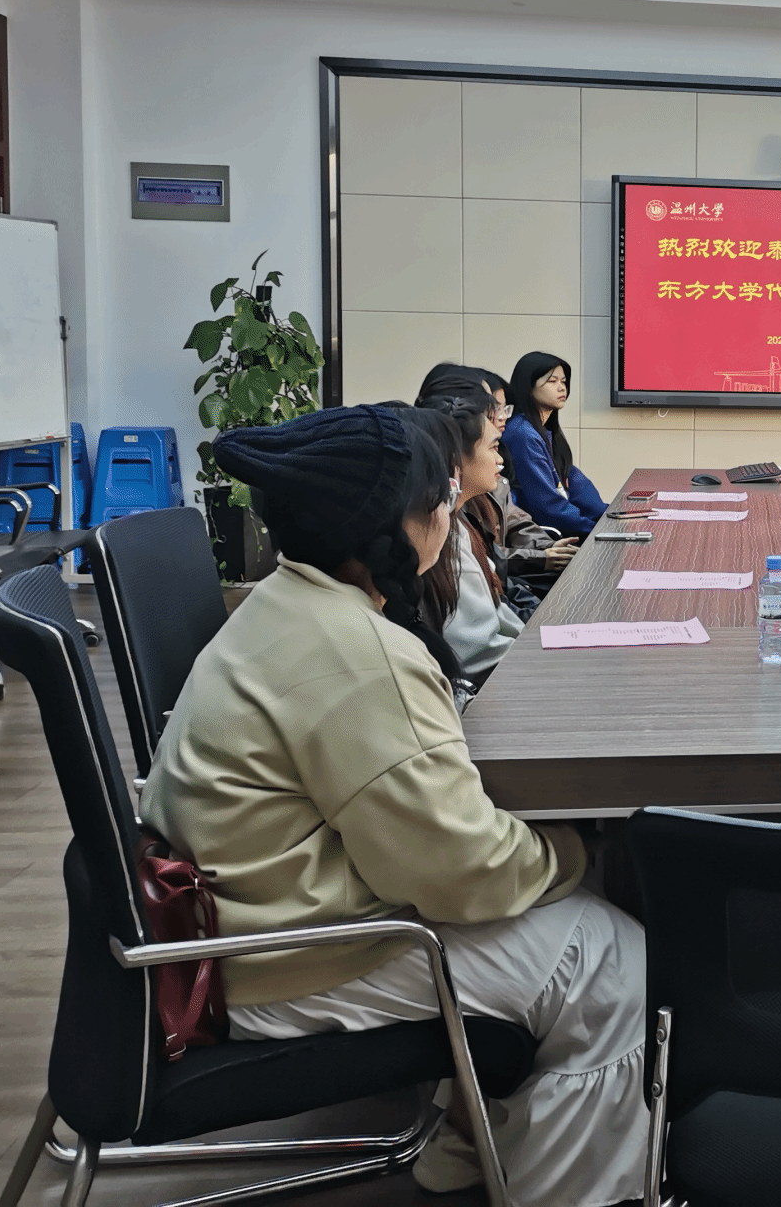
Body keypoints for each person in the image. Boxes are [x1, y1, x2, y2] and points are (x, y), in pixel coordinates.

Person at [139, 405, 648, 1205]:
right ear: (391, 529)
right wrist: (585, 845)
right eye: (437, 497)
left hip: (245, 924)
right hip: (289, 959)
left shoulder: (285, 604)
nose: (450, 511)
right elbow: (461, 873)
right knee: (609, 957)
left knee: (557, 905)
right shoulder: (358, 651)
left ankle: (471, 1144)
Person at [419, 364, 577, 597]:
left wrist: (548, 547)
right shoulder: (447, 496)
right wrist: (541, 557)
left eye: (504, 408)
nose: (502, 417)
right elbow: (488, 559)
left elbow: (515, 520)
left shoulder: (491, 461)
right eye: (494, 408)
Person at [420, 390, 525, 683]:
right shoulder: (441, 536)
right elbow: (478, 652)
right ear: (457, 459)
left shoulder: (461, 522)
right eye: (493, 448)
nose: (500, 459)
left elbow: (496, 616)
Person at [502, 352, 606, 539]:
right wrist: (597, 531)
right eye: (552, 381)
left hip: (561, 530)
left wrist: (608, 517)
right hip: (544, 539)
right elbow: (548, 507)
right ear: (528, 386)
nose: (561, 387)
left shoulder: (543, 430)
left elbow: (576, 484)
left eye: (564, 381)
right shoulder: (522, 434)